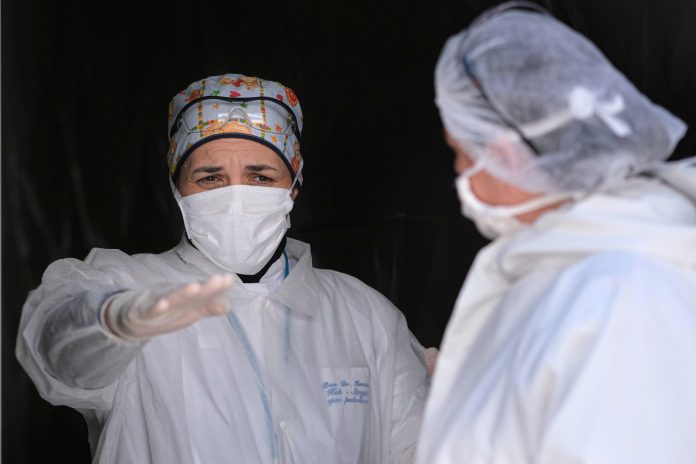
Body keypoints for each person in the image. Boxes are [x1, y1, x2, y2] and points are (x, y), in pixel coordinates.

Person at [16, 73, 431, 464]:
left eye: (260, 177)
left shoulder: (363, 315)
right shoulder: (129, 287)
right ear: (177, 188)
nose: (235, 197)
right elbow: (57, 353)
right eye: (210, 178)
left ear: (294, 185)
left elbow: (416, 450)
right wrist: (110, 322)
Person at [417, 3, 696, 463]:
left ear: (505, 153)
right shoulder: (562, 269)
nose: (460, 172)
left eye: (462, 152)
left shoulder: (624, 296)